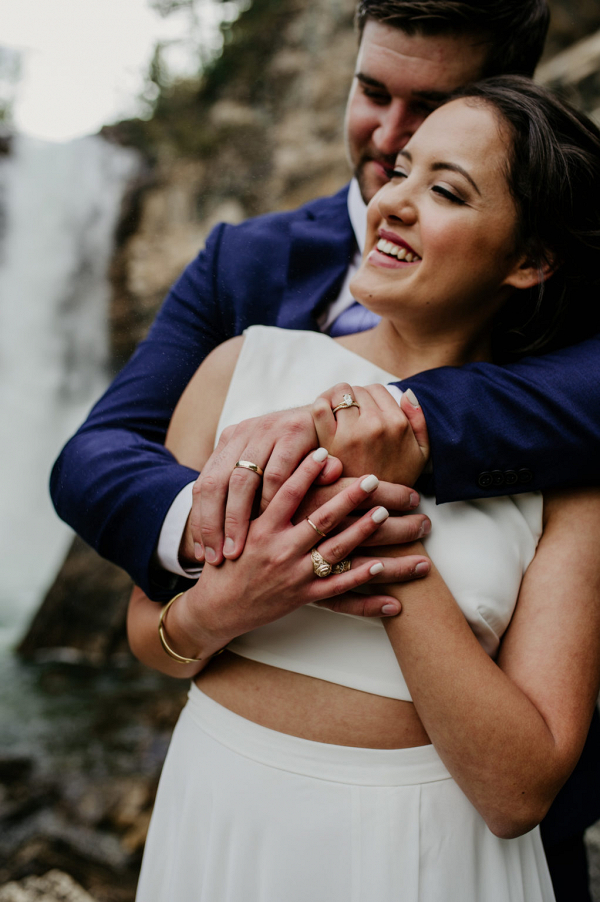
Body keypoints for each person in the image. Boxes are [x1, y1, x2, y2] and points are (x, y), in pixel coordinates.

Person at [49, 0, 600, 894]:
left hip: (434, 848)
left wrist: (374, 489)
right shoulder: (243, 331)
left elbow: (520, 782)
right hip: (221, 820)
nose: (388, 164)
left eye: (442, 167)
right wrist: (225, 569)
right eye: (372, 94)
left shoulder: (569, 429)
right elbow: (103, 476)